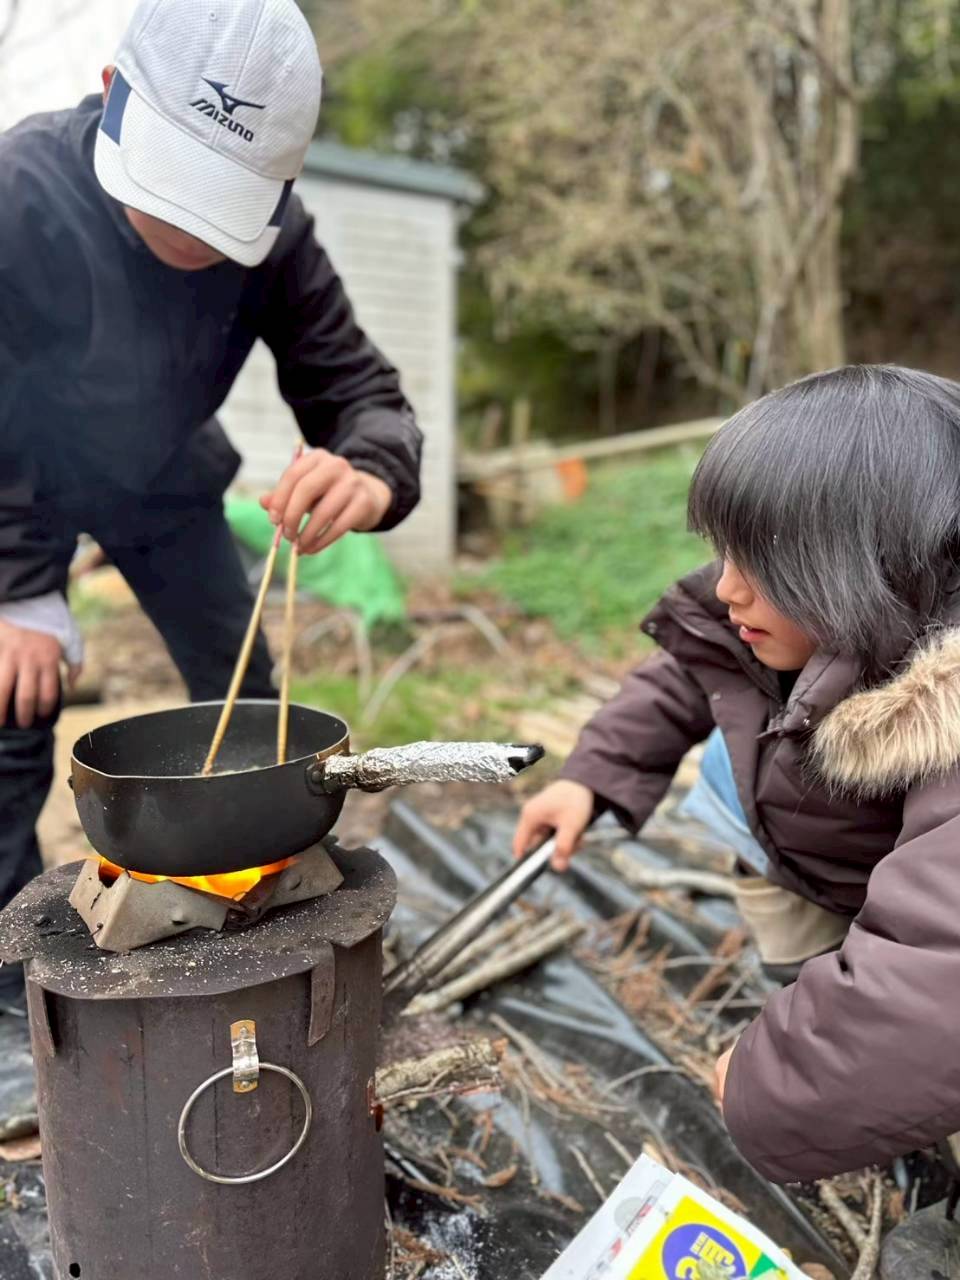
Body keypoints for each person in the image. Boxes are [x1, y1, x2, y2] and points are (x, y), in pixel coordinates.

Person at [0, 0, 423, 1013]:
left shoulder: (277, 238)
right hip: (17, 485)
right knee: (13, 706)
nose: (195, 232)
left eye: (224, 203)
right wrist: (17, 588)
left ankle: (260, 907)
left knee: (253, 706)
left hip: (167, 476)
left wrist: (368, 470)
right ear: (112, 96)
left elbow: (361, 390)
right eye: (175, 190)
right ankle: (18, 977)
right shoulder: (19, 196)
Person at [514, 364, 960, 1184]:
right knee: (799, 953)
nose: (726, 587)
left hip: (886, 888)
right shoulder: (785, 608)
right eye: (723, 552)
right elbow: (685, 670)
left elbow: (940, 975)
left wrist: (773, 1084)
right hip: (804, 858)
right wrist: (593, 775)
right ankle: (815, 1003)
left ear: (871, 561)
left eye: (756, 561)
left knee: (909, 1061)